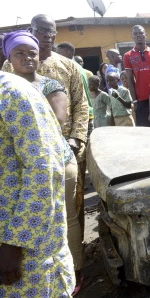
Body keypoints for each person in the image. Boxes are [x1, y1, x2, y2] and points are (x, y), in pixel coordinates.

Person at [2, 30, 84, 294]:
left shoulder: (30, 88)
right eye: (19, 53)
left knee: (67, 218)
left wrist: (76, 139)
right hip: (28, 171)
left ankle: (76, 270)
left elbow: (63, 119)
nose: (27, 58)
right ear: (9, 58)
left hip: (56, 157)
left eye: (31, 52)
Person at [123, 25, 150, 127]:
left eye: (141, 33)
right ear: (132, 36)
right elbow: (130, 80)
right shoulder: (127, 56)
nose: (138, 35)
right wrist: (134, 101)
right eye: (135, 34)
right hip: (141, 100)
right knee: (145, 132)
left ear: (145, 34)